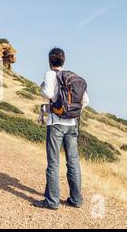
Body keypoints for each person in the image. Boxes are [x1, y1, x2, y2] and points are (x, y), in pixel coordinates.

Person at [33, 48, 89, 210]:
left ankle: (52, 201)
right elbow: (86, 101)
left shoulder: (51, 74)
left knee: (53, 163)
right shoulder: (74, 77)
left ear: (50, 60)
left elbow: (49, 93)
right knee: (73, 162)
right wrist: (71, 111)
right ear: (63, 60)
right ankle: (76, 200)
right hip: (72, 124)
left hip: (56, 123)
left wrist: (42, 87)